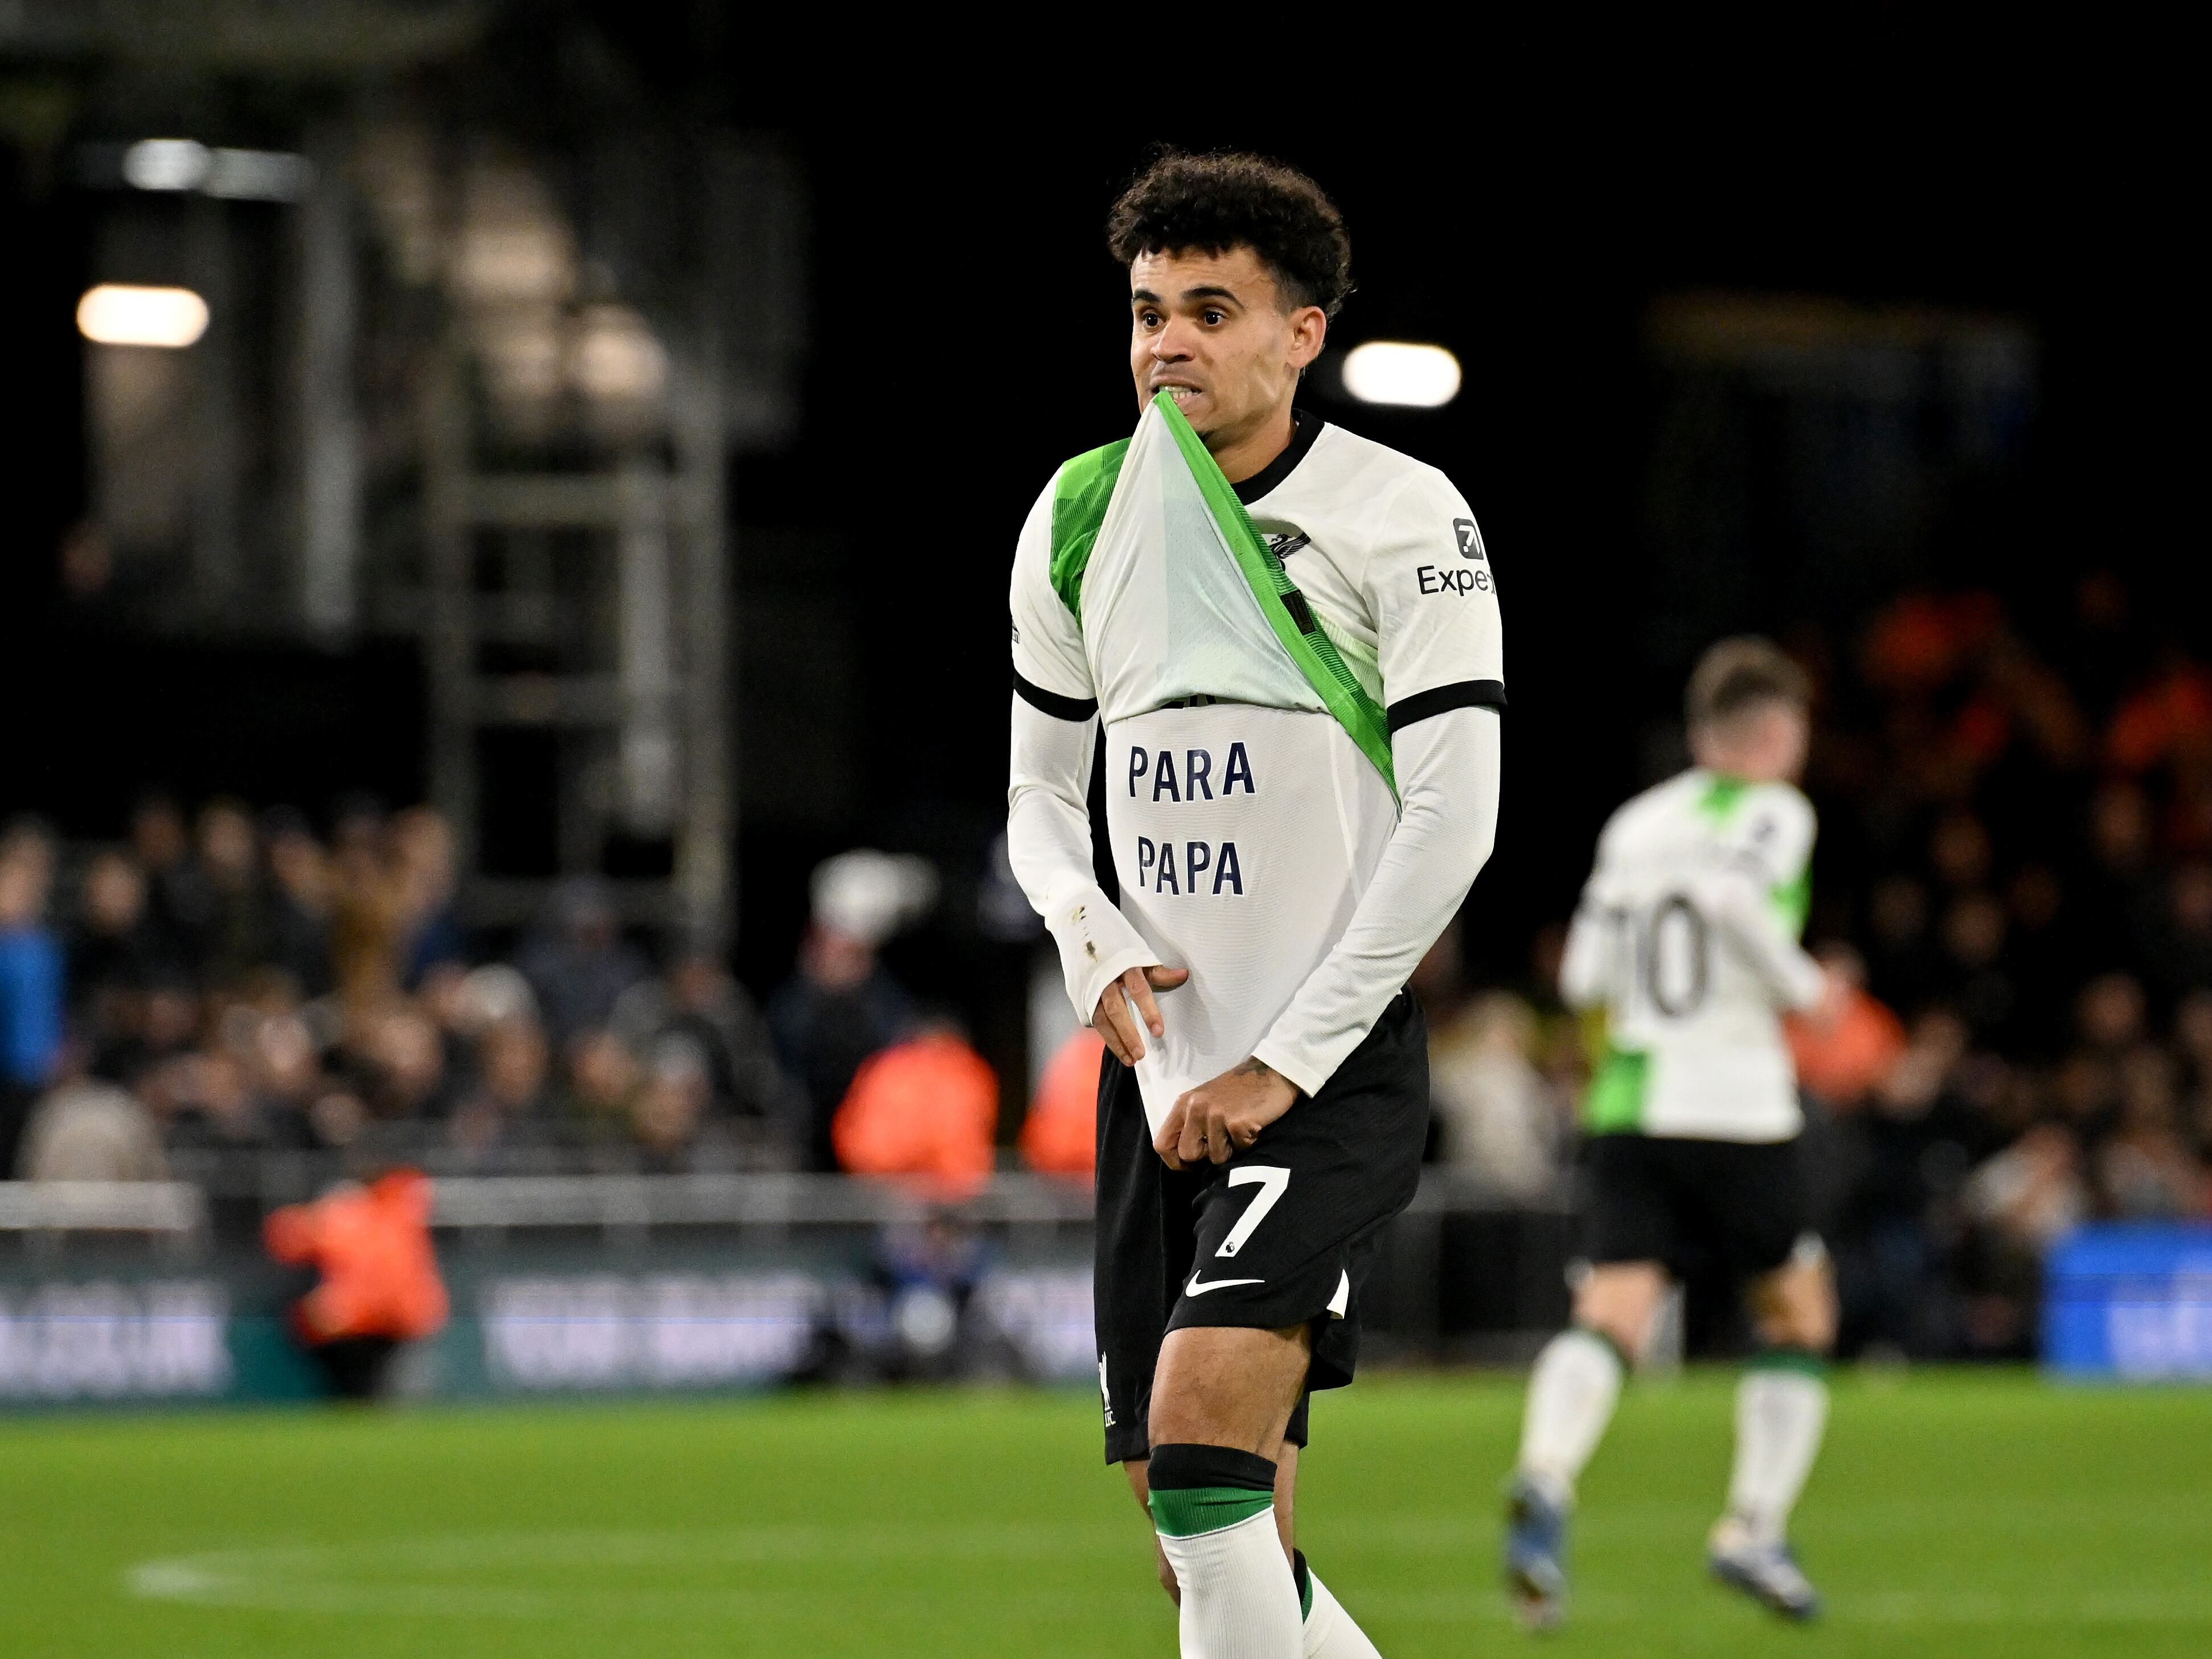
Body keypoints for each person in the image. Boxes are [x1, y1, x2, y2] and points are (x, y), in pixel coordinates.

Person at [1006, 152, 1504, 1658]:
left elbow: (1456, 816)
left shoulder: (1398, 511)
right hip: (1158, 1077)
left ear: (1302, 334)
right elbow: (1039, 799)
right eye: (1147, 312)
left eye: (1209, 313)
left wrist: (1284, 1061)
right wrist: (1091, 943)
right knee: (1205, 1537)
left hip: (1323, 1068)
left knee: (1201, 1441)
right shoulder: (1080, 512)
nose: (1167, 343)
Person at [1504, 637, 1842, 1627]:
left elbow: (1583, 978)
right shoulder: (1777, 810)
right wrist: (1811, 991)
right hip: (1738, 1103)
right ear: (1776, 731)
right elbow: (1735, 902)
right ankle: (1752, 1525)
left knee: (1612, 1310)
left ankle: (1546, 1473)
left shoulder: (1637, 823)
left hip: (1633, 1101)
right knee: (1798, 1311)